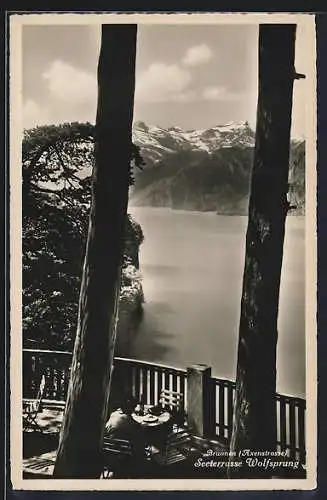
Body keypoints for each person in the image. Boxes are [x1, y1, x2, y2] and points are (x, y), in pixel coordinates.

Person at [103, 398, 147, 478]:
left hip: (107, 456)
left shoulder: (113, 414)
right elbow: (138, 446)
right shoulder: (132, 423)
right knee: (139, 445)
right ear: (132, 409)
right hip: (123, 461)